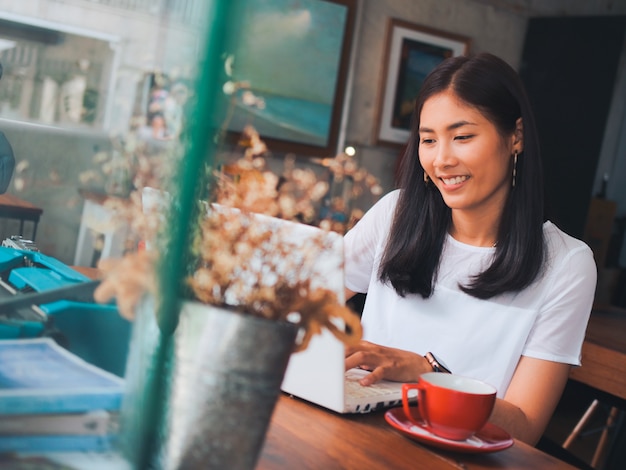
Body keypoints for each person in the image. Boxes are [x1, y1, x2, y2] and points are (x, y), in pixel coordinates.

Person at [343, 52, 597, 446]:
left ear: (516, 136)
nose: (442, 160)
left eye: (462, 137)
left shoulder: (567, 264)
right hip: (356, 441)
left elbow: (526, 427)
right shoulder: (394, 215)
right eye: (428, 140)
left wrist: (425, 374)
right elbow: (301, 301)